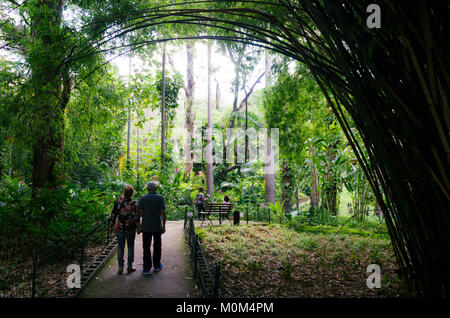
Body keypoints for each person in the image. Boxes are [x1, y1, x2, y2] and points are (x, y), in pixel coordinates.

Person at [109, 185, 140, 275]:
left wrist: (111, 226)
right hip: (130, 228)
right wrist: (138, 226)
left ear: (124, 192)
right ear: (132, 193)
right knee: (130, 246)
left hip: (119, 228)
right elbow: (135, 217)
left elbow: (113, 214)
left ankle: (120, 268)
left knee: (120, 247)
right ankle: (129, 266)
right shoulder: (134, 203)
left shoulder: (118, 202)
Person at [138, 181, 166, 276]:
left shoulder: (143, 198)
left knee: (146, 247)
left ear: (147, 189)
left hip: (146, 227)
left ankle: (146, 268)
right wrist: (164, 225)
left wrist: (139, 226)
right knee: (157, 246)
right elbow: (163, 213)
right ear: (156, 189)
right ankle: (157, 265)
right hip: (157, 226)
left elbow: (139, 213)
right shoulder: (160, 198)